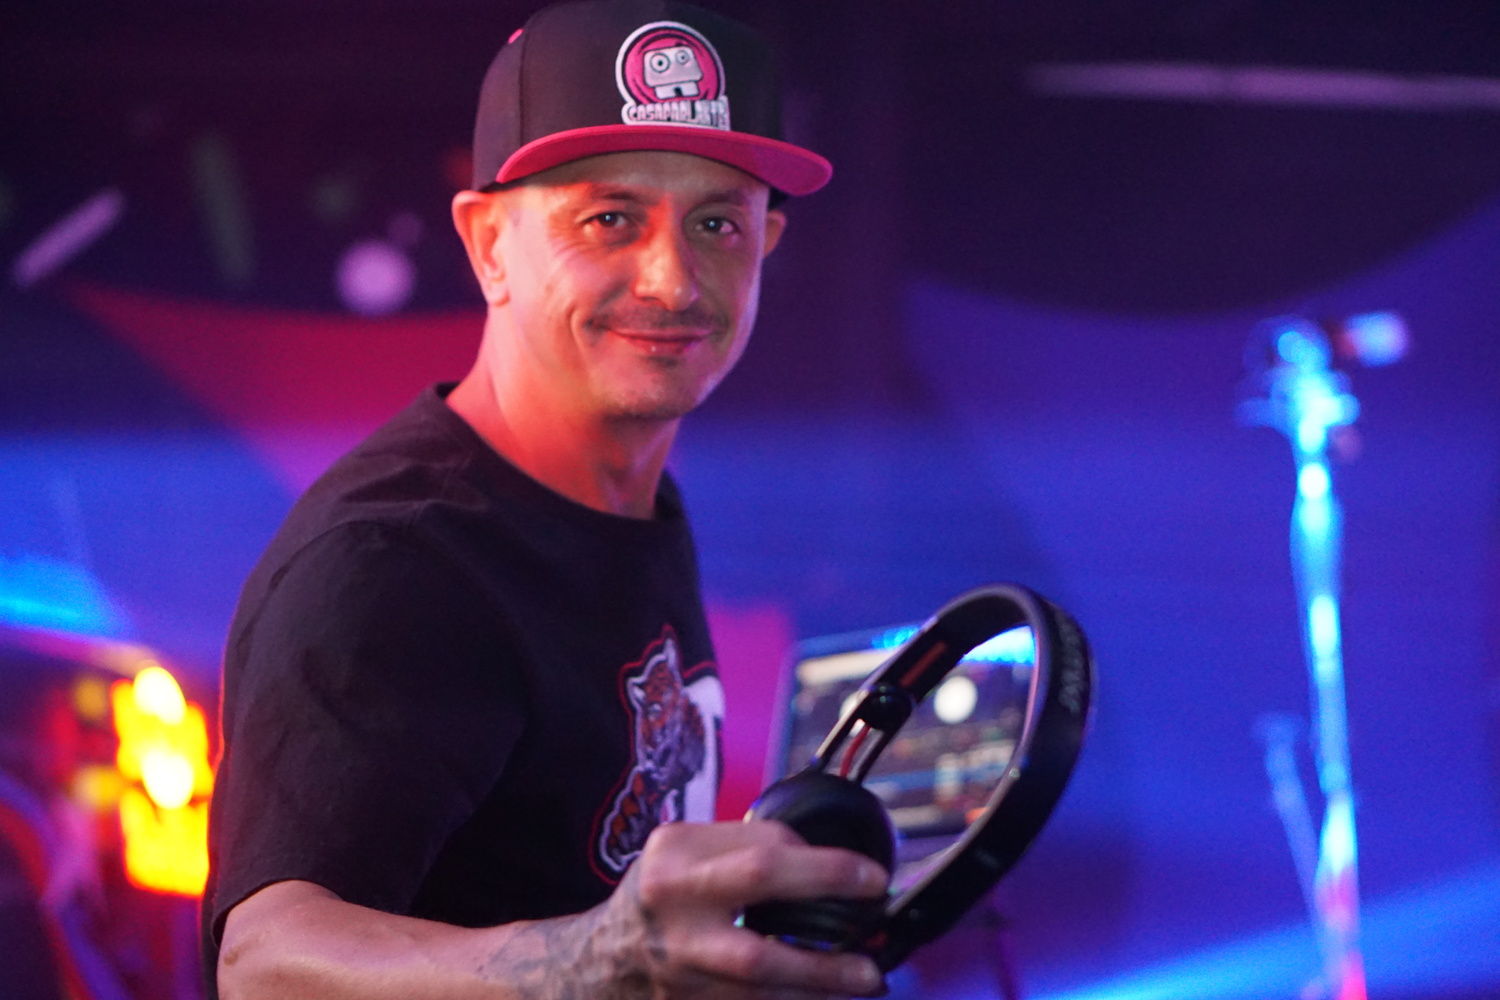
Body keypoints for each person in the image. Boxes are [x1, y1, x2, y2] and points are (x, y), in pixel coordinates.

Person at [202, 1, 891, 998]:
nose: (673, 280)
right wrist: (593, 958)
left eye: (717, 223)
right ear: (489, 243)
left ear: (766, 243)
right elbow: (259, 964)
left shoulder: (628, 503)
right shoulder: (394, 566)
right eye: (610, 218)